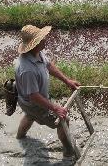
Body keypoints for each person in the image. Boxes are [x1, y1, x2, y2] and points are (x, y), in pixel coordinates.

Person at [13, 24, 80, 157]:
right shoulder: (27, 69)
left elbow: (48, 65)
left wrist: (67, 81)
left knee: (29, 115)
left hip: (27, 102)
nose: (45, 39)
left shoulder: (37, 53)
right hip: (33, 103)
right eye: (42, 38)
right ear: (35, 43)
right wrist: (55, 108)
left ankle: (19, 138)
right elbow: (34, 96)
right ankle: (68, 151)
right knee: (63, 120)